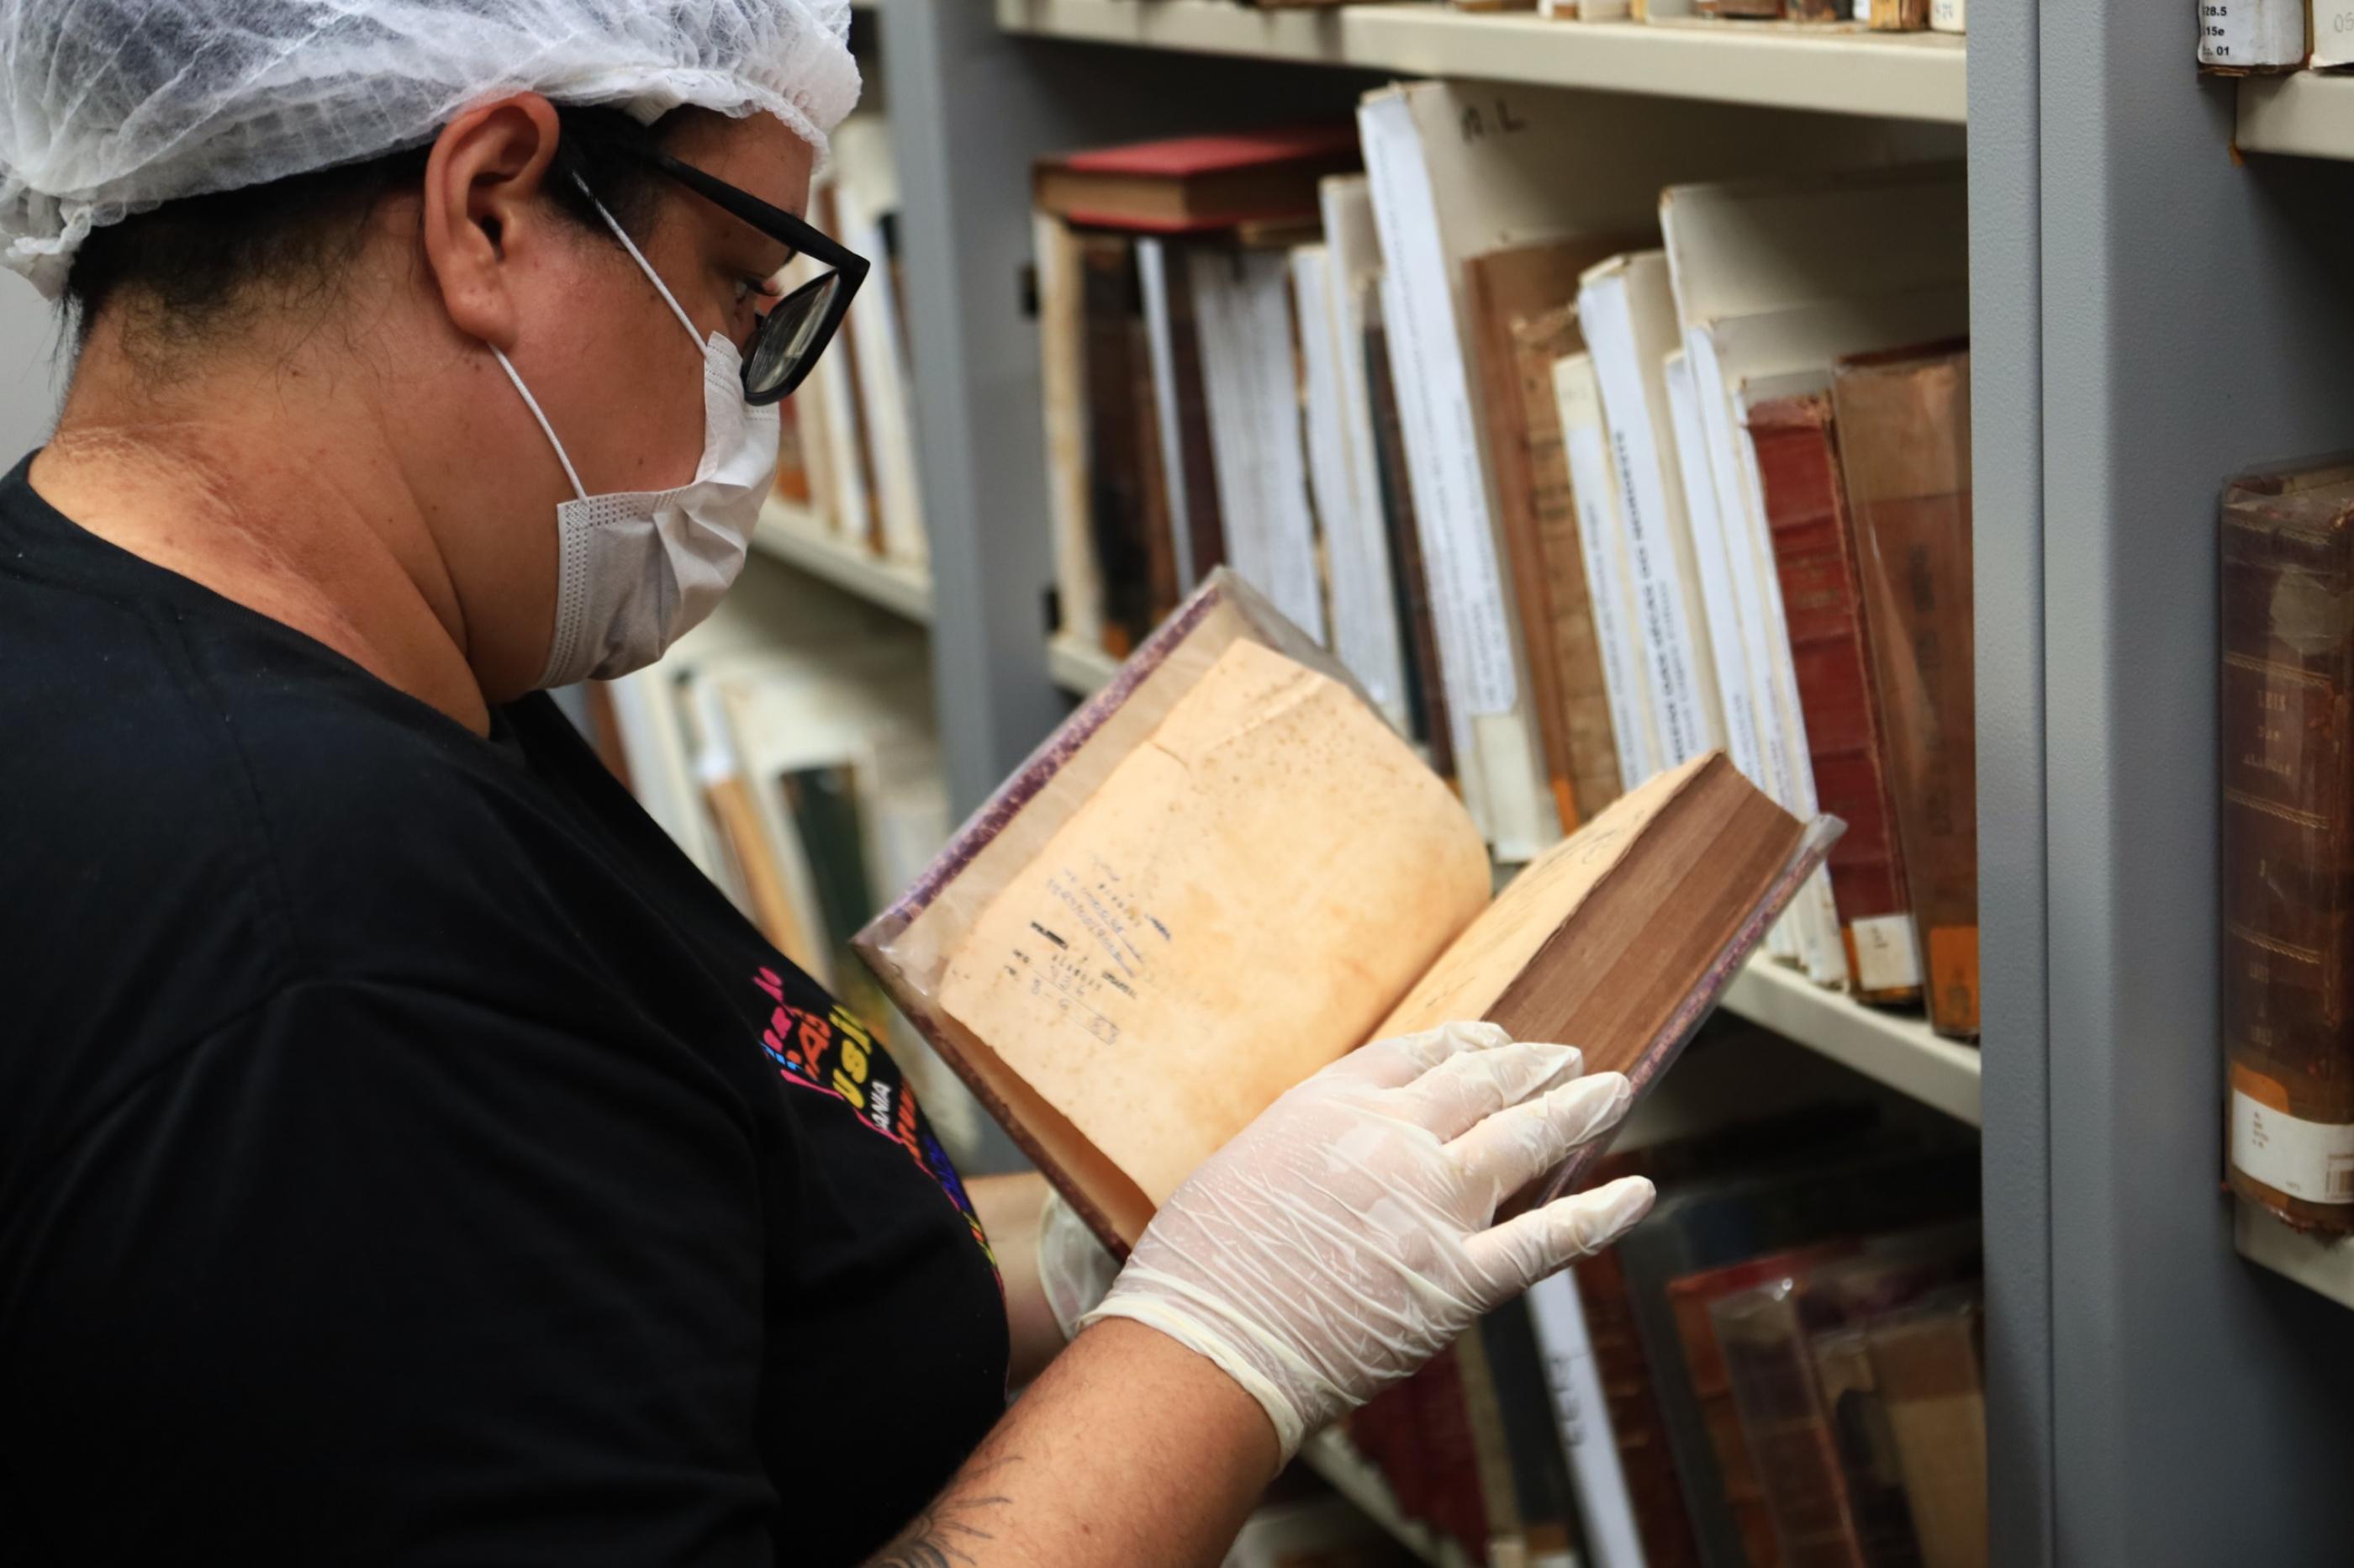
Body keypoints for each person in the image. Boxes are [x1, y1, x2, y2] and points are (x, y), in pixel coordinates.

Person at [0, 3, 1656, 1563]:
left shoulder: (217, 631)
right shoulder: (322, 944)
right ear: (489, 209)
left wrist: (1091, 1268)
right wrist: (1227, 1342)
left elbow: (629, 1273)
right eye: (739, 290)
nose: (748, 399)